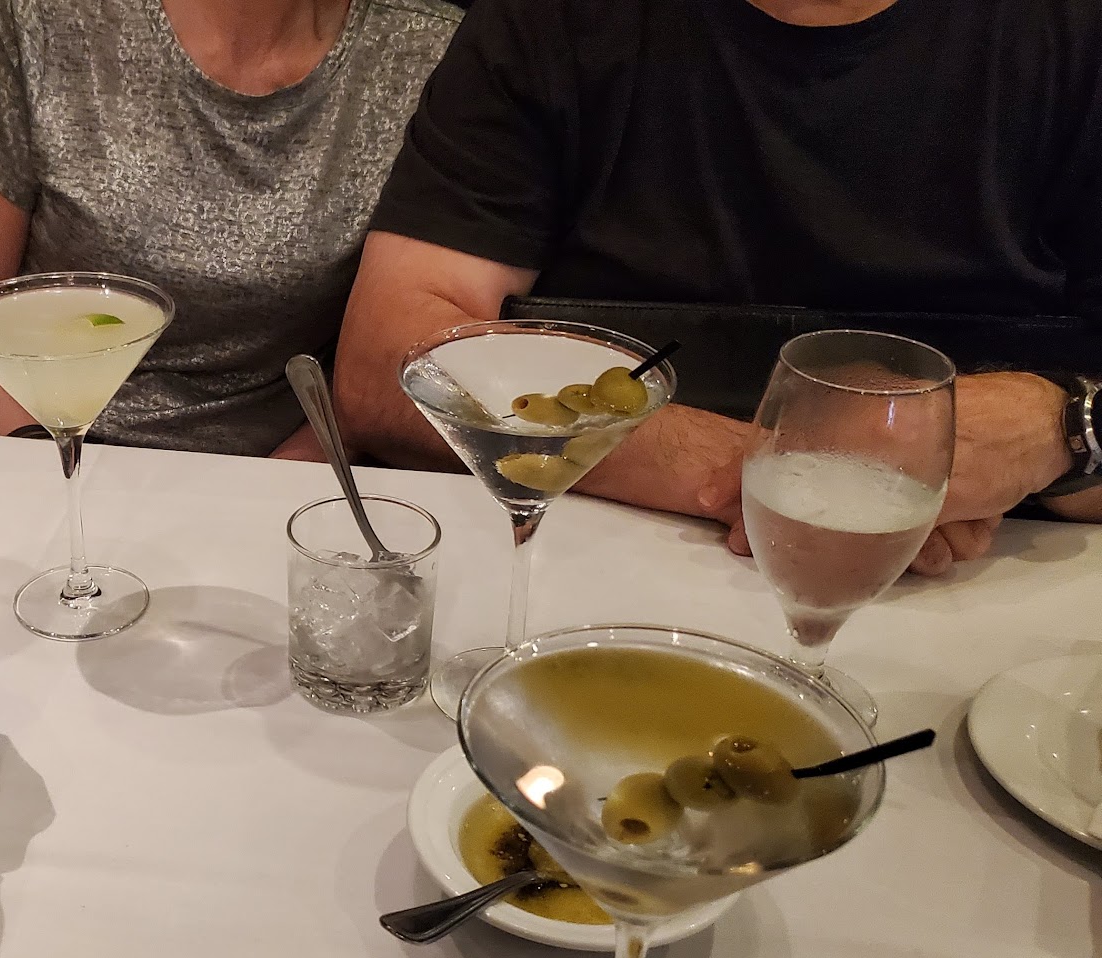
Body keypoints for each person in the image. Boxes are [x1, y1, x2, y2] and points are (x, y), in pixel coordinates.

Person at [333, 0, 1102, 574]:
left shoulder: (1074, 38)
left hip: (996, 603)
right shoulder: (551, 21)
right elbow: (386, 362)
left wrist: (1064, 428)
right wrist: (784, 478)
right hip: (584, 572)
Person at [0, 0, 463, 458]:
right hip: (34, 450)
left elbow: (377, 375)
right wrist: (53, 484)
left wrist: (255, 502)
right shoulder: (45, 17)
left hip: (274, 481)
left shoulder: (431, 52)